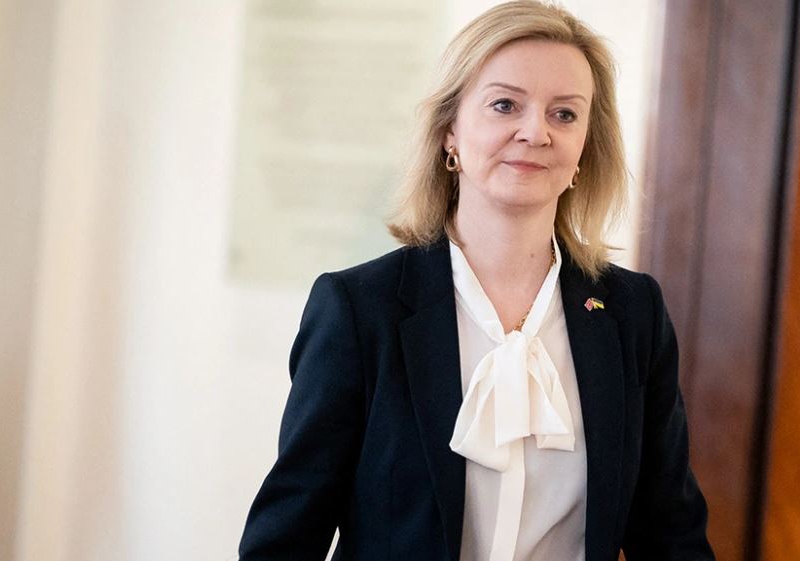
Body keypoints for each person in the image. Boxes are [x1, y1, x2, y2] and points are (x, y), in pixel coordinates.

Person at [237, 2, 714, 560]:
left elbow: (671, 534)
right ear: (450, 132)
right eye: (504, 105)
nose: (535, 132)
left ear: (586, 145)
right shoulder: (358, 310)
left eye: (564, 114)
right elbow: (286, 539)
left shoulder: (634, 313)